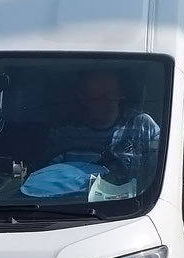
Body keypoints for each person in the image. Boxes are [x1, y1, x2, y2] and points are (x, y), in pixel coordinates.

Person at [27, 71, 160, 195]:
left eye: (114, 95)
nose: (109, 103)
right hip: (74, 206)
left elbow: (163, 168)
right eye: (100, 97)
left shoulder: (142, 125)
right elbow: (46, 182)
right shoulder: (64, 133)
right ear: (83, 99)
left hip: (136, 206)